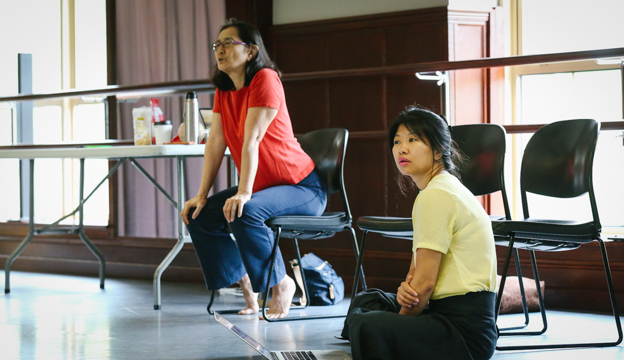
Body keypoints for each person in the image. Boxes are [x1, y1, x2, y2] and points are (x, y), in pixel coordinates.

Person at [181, 20, 327, 319]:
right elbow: (216, 143)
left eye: (228, 43)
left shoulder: (265, 78)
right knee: (199, 216)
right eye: (216, 45)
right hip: (264, 189)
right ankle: (248, 287)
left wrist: (244, 192)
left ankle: (281, 283)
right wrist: (201, 194)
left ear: (250, 51)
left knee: (244, 211)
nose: (219, 49)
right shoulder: (224, 89)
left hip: (302, 188)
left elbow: (253, 139)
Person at [341, 106, 498, 360]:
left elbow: (424, 285)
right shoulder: (439, 188)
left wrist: (397, 327)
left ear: (439, 151)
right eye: (397, 141)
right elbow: (417, 274)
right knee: (367, 302)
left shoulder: (437, 194)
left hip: (464, 334)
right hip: (444, 314)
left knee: (367, 324)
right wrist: (405, 289)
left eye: (413, 140)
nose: (402, 149)